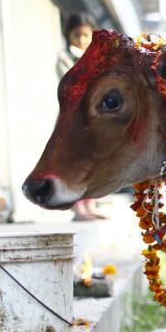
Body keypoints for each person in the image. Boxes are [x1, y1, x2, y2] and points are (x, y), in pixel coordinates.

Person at [57, 12, 106, 221]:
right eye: (77, 35)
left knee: (95, 159)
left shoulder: (99, 57)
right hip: (73, 118)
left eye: (86, 35)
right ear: (69, 35)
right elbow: (71, 85)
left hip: (96, 118)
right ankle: (78, 209)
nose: (82, 40)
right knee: (75, 161)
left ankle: (90, 204)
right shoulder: (65, 57)